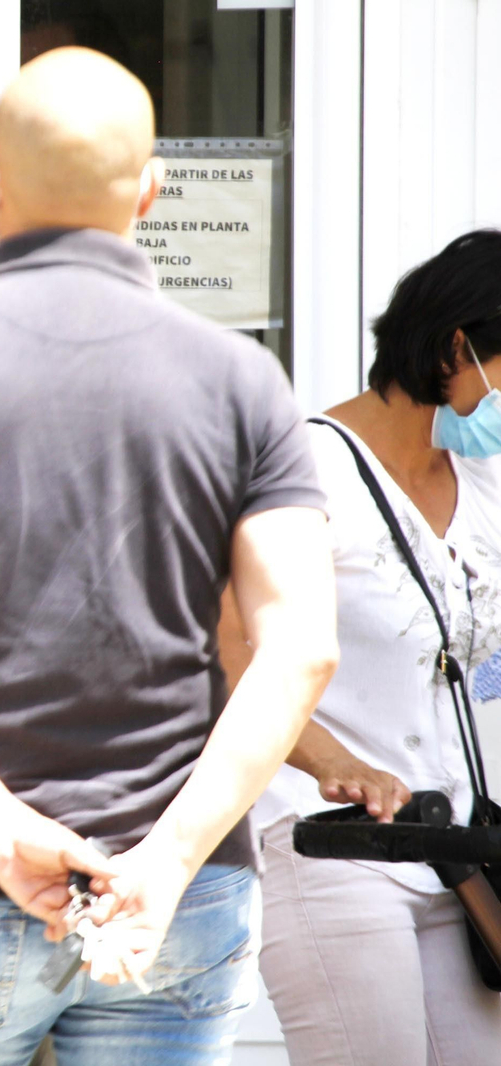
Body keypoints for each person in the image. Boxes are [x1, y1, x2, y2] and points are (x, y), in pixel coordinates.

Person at [0, 47, 341, 1065]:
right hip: (178, 900)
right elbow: (301, 646)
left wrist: (0, 834)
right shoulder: (242, 378)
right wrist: (168, 859)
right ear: (150, 187)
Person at [234, 230, 501, 1066]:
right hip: (338, 846)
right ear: (459, 347)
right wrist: (330, 761)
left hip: (461, 856)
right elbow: (232, 651)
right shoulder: (303, 468)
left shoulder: (487, 488)